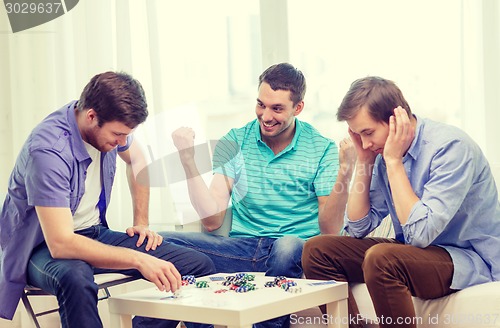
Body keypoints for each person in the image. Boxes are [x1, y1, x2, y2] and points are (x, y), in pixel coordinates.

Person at [0, 71, 215, 328]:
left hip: (92, 233)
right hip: (40, 247)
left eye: (127, 134)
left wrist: (142, 222)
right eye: (118, 135)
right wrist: (138, 259)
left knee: (197, 265)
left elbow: (137, 159)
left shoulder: (107, 124)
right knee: (77, 279)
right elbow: (61, 244)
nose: (122, 142)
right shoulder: (48, 151)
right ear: (91, 116)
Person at [161, 63, 356, 328]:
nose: (265, 116)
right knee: (164, 242)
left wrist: (345, 172)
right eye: (261, 105)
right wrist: (188, 161)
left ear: (298, 108)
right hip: (244, 248)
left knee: (287, 246)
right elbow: (212, 221)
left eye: (277, 108)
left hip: (295, 250)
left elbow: (331, 229)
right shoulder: (236, 140)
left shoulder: (320, 148)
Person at [302, 76, 500, 328]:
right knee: (317, 250)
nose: (364, 142)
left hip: (466, 258)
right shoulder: (379, 152)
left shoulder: (451, 147)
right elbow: (358, 227)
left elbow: (419, 234)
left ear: (395, 120)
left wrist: (394, 161)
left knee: (381, 258)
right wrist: (364, 162)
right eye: (358, 135)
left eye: (368, 133)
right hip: (414, 255)